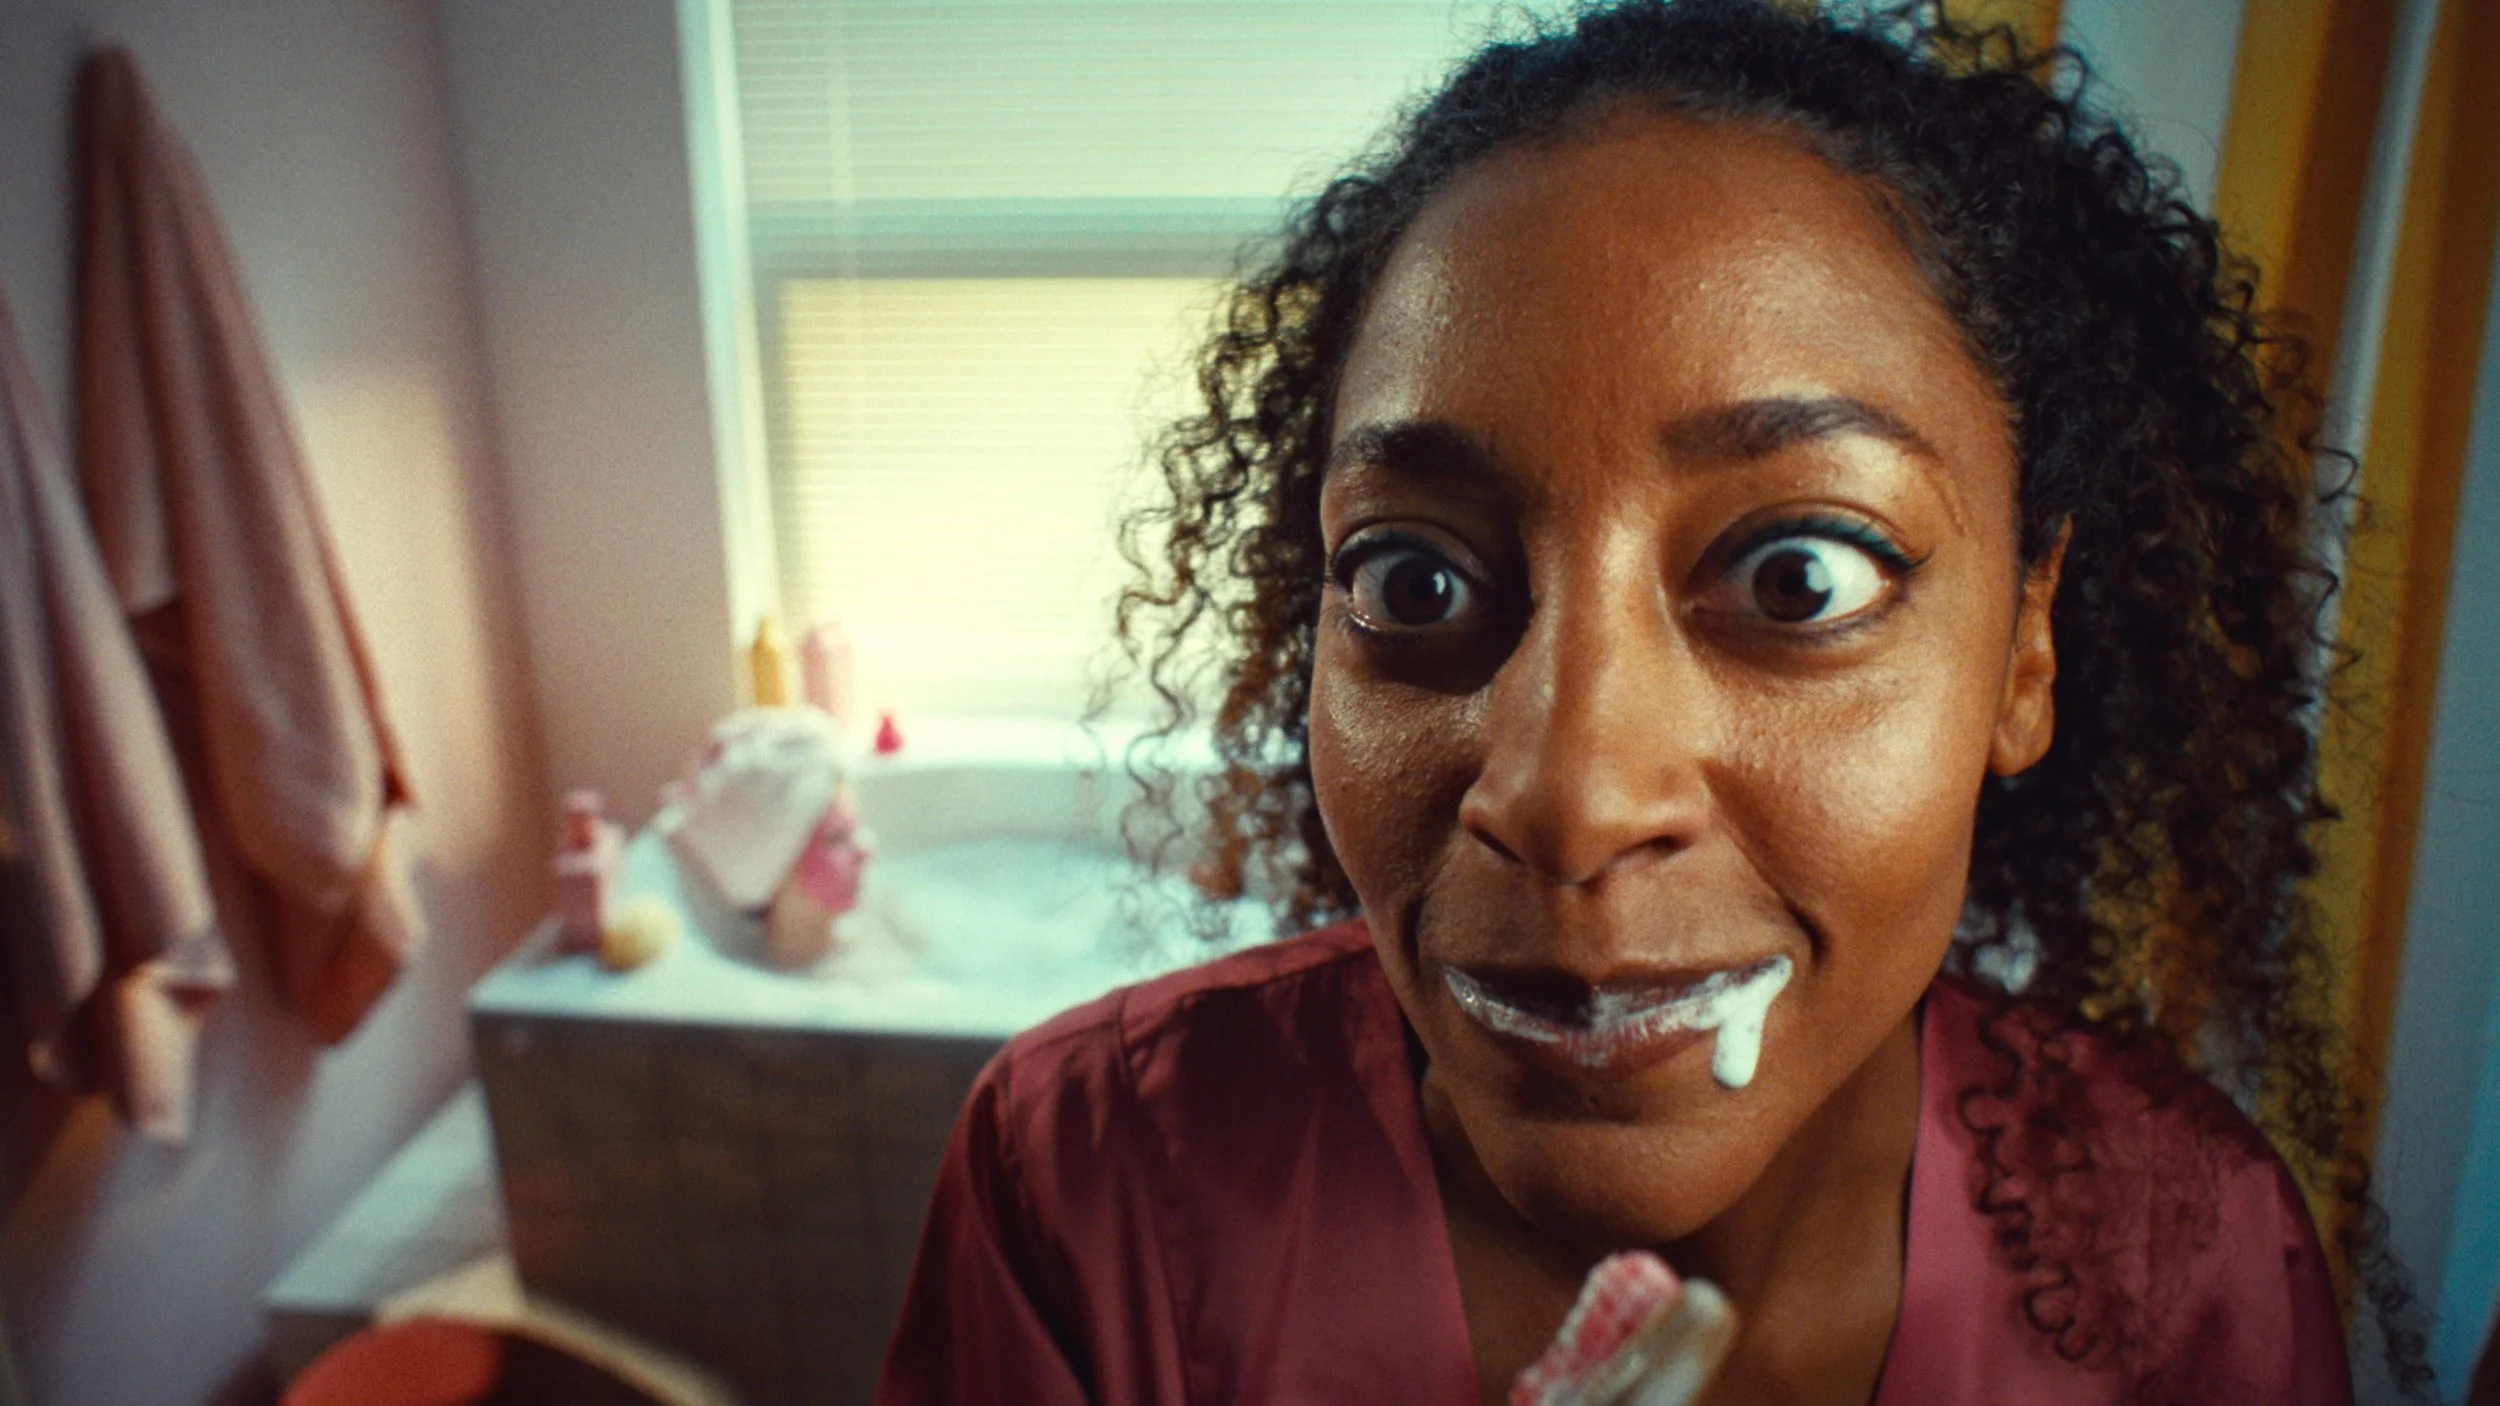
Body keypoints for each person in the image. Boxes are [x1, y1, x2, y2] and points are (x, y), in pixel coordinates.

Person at [877, 1, 2431, 1401]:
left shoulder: (2193, 1268)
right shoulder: (1083, 1188)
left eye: (1798, 580)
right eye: (1414, 582)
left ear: (2025, 650)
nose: (1568, 794)